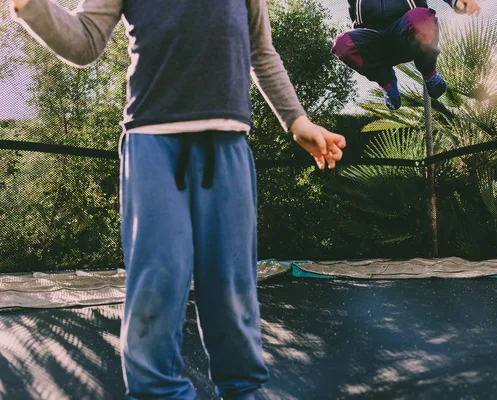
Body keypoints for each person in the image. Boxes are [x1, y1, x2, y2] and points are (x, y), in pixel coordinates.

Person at [8, 0, 347, 398]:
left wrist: (297, 120)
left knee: (231, 286)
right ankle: (157, 393)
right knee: (157, 281)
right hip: (152, 142)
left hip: (227, 145)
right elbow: (85, 41)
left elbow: (259, 49)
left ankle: (243, 390)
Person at [332, 0, 481, 110]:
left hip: (404, 34)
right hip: (374, 41)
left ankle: (429, 72)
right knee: (343, 44)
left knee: (422, 18)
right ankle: (387, 81)